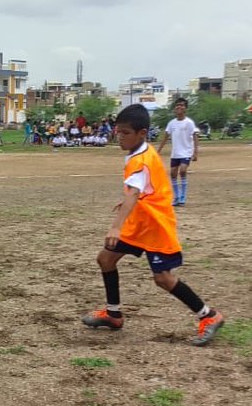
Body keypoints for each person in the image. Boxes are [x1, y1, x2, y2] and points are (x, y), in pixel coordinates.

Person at [82, 104, 225, 346]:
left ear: (142, 133)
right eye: (118, 132)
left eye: (126, 133)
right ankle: (113, 314)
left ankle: (209, 316)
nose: (120, 137)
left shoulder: (141, 158)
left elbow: (134, 193)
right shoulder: (141, 152)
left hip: (155, 225)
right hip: (140, 222)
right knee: (105, 259)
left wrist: (116, 226)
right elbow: (141, 189)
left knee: (163, 278)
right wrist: (131, 200)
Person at [155, 97, 199, 207]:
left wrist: (195, 152)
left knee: (183, 170)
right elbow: (165, 137)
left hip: (186, 152)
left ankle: (183, 196)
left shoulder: (189, 123)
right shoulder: (171, 123)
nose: (179, 107)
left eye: (182, 105)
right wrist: (158, 150)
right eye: (177, 105)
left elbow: (195, 136)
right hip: (175, 153)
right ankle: (176, 196)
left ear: (186, 109)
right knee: (173, 173)